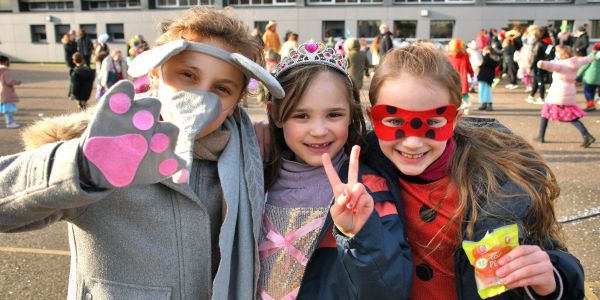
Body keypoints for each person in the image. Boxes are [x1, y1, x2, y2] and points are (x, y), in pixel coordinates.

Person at [0, 7, 284, 300]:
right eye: (187, 74)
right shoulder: (104, 143)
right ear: (155, 73)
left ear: (236, 101)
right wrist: (80, 167)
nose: (200, 96)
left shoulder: (246, 158)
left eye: (222, 88)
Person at [363, 42, 585, 299]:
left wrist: (551, 279)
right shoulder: (359, 171)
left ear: (455, 119)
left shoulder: (501, 182)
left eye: (434, 122)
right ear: (372, 118)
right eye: (394, 121)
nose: (412, 142)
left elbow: (553, 256)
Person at [261, 40, 411, 299]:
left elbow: (390, 289)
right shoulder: (255, 178)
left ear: (352, 114)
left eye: (333, 115)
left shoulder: (368, 189)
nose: (319, 131)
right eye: (301, 115)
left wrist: (361, 234)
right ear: (275, 115)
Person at [534, 45, 596, 148]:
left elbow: (550, 66)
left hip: (558, 93)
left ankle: (587, 135)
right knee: (566, 116)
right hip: (569, 90)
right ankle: (541, 135)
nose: (556, 53)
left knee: (551, 114)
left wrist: (541, 63)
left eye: (558, 52)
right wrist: (593, 56)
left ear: (562, 54)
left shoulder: (561, 65)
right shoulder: (575, 62)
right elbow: (586, 59)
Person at [446, 38, 474, 114]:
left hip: (451, 78)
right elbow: (469, 66)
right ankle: (466, 106)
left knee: (452, 93)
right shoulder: (464, 55)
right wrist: (471, 73)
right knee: (464, 94)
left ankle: (454, 108)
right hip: (462, 78)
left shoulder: (448, 56)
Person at [577, 42, 600, 111]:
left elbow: (584, 66)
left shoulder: (592, 55)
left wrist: (578, 75)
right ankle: (592, 103)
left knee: (588, 92)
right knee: (593, 91)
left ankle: (590, 105)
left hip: (590, 78)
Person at [0, 55, 22, 129]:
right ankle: (10, 123)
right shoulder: (5, 71)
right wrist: (17, 82)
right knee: (8, 109)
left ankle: (10, 122)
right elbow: (9, 81)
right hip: (6, 92)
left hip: (1, 91)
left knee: (5, 108)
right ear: (6, 61)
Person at [477, 45, 500, 111]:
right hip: (488, 76)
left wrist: (486, 55)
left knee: (484, 90)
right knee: (486, 90)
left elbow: (484, 64)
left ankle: (486, 104)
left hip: (484, 76)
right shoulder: (493, 58)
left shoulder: (487, 57)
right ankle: (485, 104)